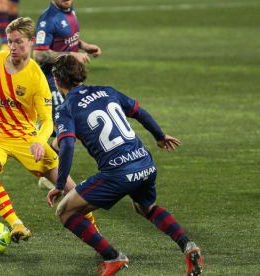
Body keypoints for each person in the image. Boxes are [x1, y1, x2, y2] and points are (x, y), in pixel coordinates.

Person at [46, 55, 203, 276]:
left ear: (57, 81)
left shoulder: (66, 109)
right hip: (145, 163)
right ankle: (187, 245)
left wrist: (60, 184)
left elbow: (67, 147)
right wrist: (159, 135)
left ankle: (112, 257)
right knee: (143, 207)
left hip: (118, 174)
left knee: (65, 211)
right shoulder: (107, 91)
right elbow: (139, 111)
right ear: (81, 73)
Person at [0, 17, 96, 243]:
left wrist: (39, 142)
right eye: (10, 42)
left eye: (18, 42)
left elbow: (47, 121)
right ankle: (17, 224)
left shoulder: (37, 79)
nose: (12, 47)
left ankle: (95, 235)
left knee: (72, 191)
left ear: (32, 42)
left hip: (26, 138)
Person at [33, 0, 102, 189]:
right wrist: (70, 56)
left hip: (67, 77)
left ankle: (49, 172)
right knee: (64, 128)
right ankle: (50, 174)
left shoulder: (69, 9)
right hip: (53, 80)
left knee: (68, 128)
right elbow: (38, 54)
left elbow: (66, 38)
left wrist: (83, 45)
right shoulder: (48, 19)